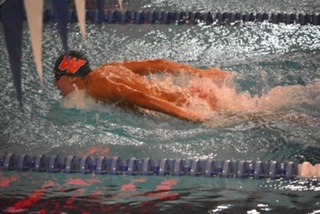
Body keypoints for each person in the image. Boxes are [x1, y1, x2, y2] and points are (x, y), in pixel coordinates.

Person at [53, 50, 231, 122]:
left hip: (192, 104)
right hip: (193, 95)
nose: (55, 83)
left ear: (72, 78)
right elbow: (157, 64)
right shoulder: (108, 69)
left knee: (253, 119)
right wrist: (200, 73)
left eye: (57, 77)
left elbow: (137, 96)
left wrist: (184, 113)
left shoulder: (96, 87)